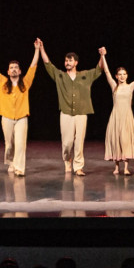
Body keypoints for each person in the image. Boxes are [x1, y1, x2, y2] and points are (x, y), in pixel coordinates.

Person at [39, 41, 104, 176]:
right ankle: (67, 159)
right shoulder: (60, 76)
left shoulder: (85, 75)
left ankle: (78, 167)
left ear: (76, 63)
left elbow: (99, 69)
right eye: (66, 60)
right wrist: (41, 48)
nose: (67, 62)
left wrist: (102, 55)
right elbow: (48, 65)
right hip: (66, 113)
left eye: (70, 60)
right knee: (67, 143)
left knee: (79, 141)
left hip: (81, 113)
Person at [0, 40, 40, 177]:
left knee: (20, 144)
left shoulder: (26, 82)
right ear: (8, 71)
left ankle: (19, 168)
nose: (13, 69)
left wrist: (37, 50)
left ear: (19, 71)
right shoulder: (2, 82)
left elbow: (33, 66)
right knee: (10, 145)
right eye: (11, 68)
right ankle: (11, 161)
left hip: (22, 118)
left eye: (15, 68)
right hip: (6, 117)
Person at [99, 48, 134, 175]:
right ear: (116, 76)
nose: (122, 76)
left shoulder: (131, 87)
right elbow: (106, 71)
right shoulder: (114, 87)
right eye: (120, 74)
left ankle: (126, 168)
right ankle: (117, 167)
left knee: (126, 141)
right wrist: (103, 56)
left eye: (124, 74)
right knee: (116, 140)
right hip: (116, 117)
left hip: (127, 118)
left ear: (127, 75)